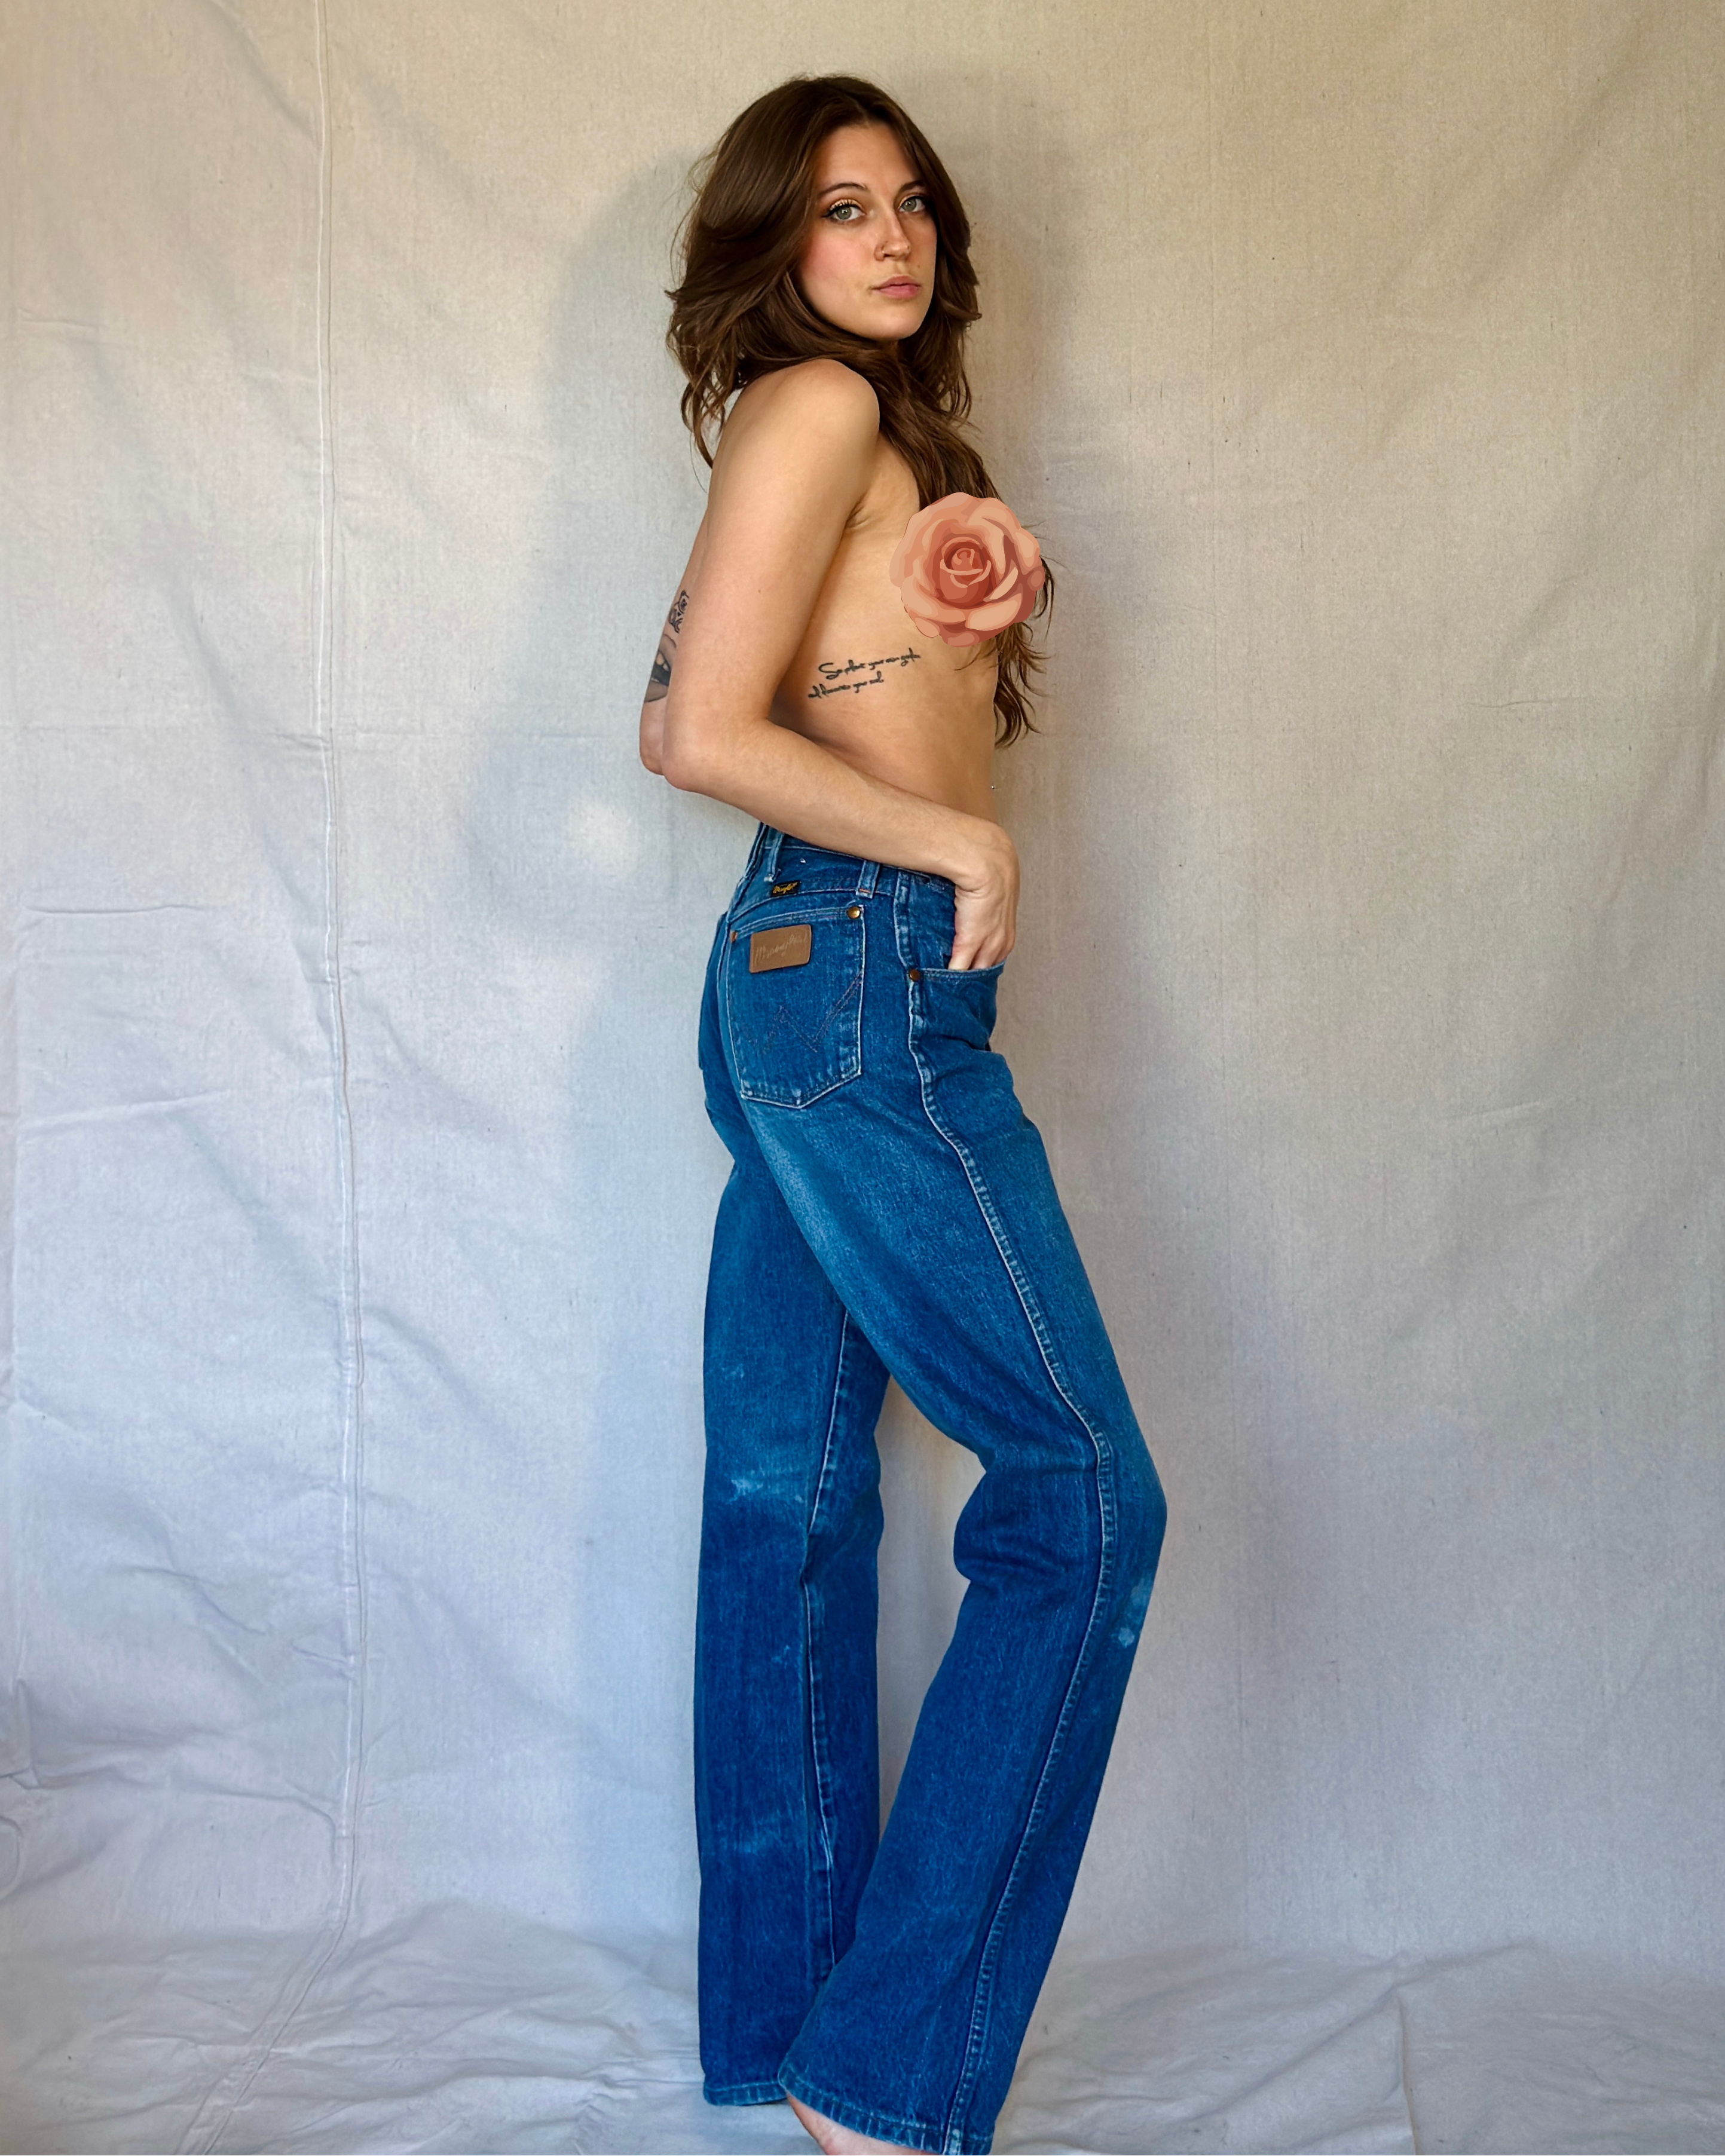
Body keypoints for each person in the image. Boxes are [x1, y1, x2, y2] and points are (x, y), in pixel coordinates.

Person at [638, 75, 1167, 2156]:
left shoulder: (863, 440)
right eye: (843, 205)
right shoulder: (817, 407)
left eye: (915, 205)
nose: (894, 235)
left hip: (794, 985)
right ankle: (882, 2075)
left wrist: (951, 585)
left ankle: (789, 2041)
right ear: (773, 241)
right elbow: (693, 734)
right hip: (859, 981)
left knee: (786, 1502)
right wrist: (959, 850)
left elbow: (698, 688)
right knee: (1082, 1497)